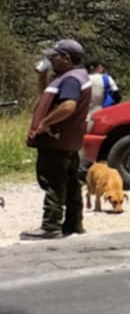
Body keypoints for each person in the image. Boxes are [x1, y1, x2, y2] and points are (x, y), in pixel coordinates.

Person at [23, 38, 91, 239]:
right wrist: (41, 76)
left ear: (66, 58)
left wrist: (45, 123)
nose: (50, 59)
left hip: (56, 139)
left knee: (53, 182)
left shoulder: (70, 79)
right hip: (68, 141)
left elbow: (68, 106)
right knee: (70, 183)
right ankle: (73, 223)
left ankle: (50, 226)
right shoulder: (72, 76)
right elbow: (47, 95)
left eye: (54, 56)